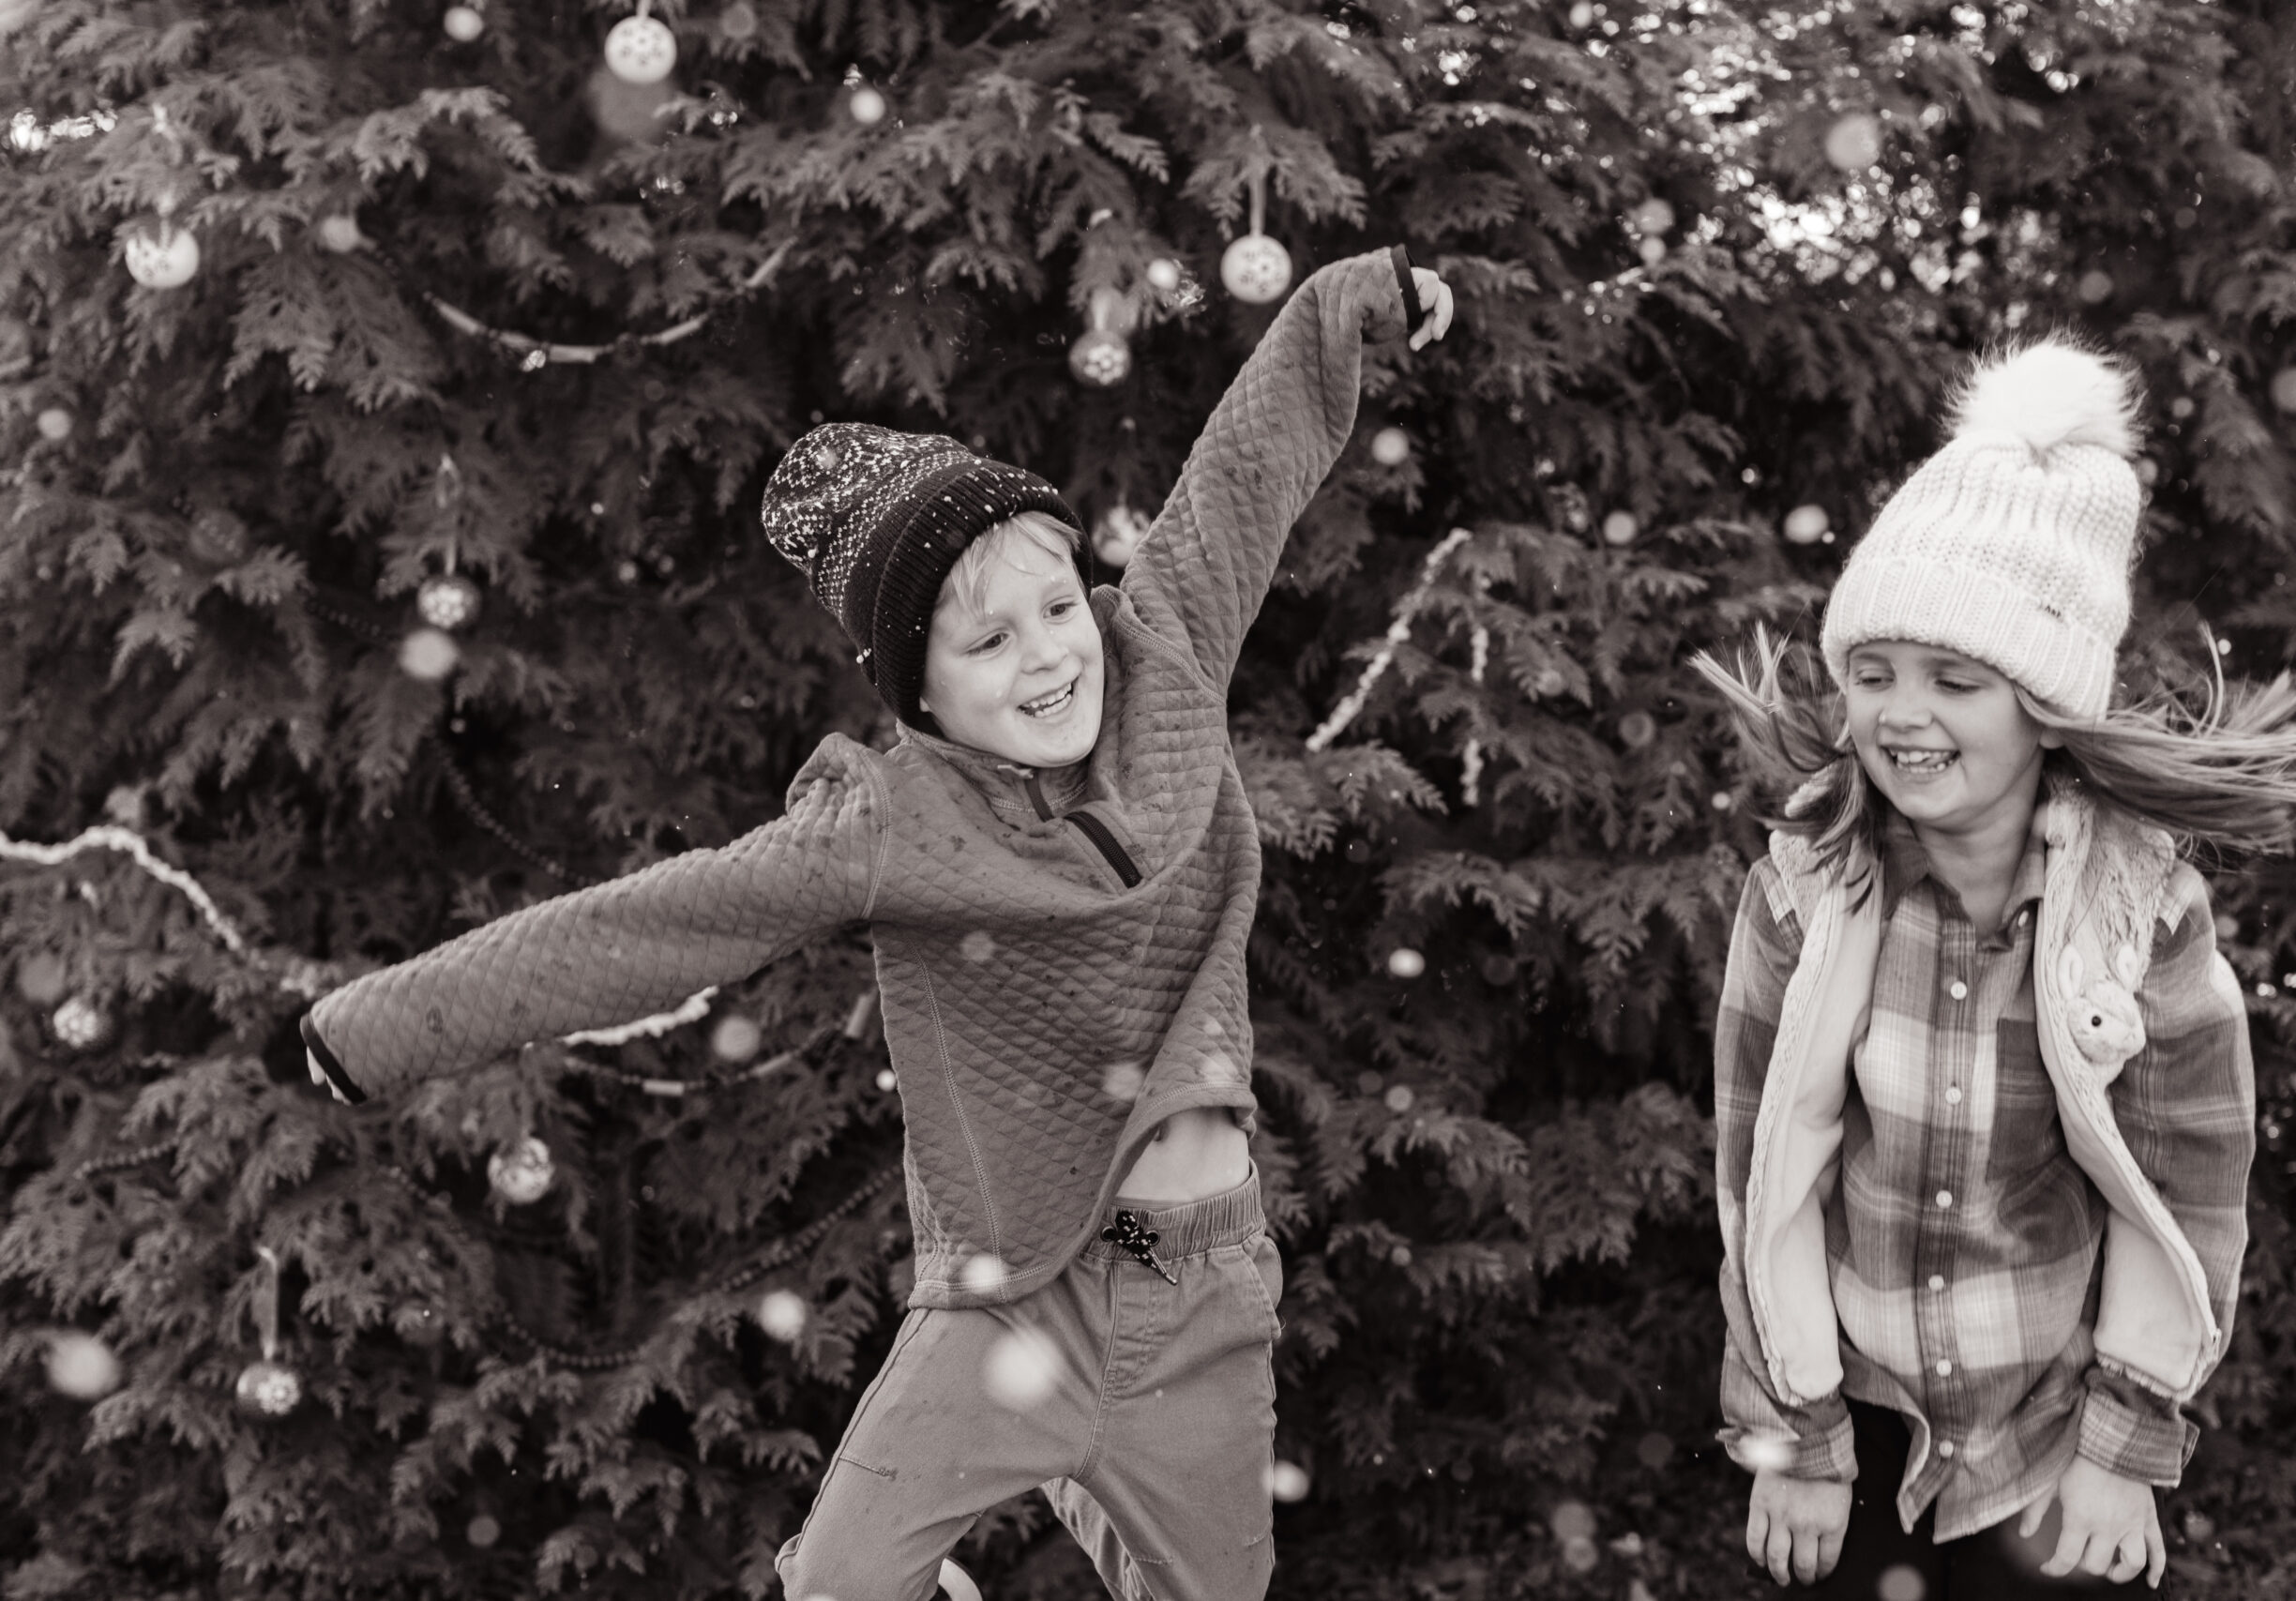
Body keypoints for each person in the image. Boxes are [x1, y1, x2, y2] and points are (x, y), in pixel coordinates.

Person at [296, 245, 1454, 1601]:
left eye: (1053, 605)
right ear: (922, 692)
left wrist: (1353, 304)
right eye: (989, 644)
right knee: (837, 1591)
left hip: (1207, 1302)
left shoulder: (1166, 660)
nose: (1049, 655)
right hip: (1018, 1299)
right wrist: (367, 1030)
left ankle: (1093, 1493)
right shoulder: (889, 827)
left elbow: (1244, 472)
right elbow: (651, 926)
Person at [1693, 340, 2296, 1598]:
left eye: (1955, 679)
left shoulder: (2139, 916)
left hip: (2055, 1431)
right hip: (1856, 1412)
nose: (1902, 716)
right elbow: (1759, 1180)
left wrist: (2129, 1442)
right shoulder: (1805, 893)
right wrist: (1796, 1433)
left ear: (2044, 702)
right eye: (1872, 674)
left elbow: (2187, 1192)